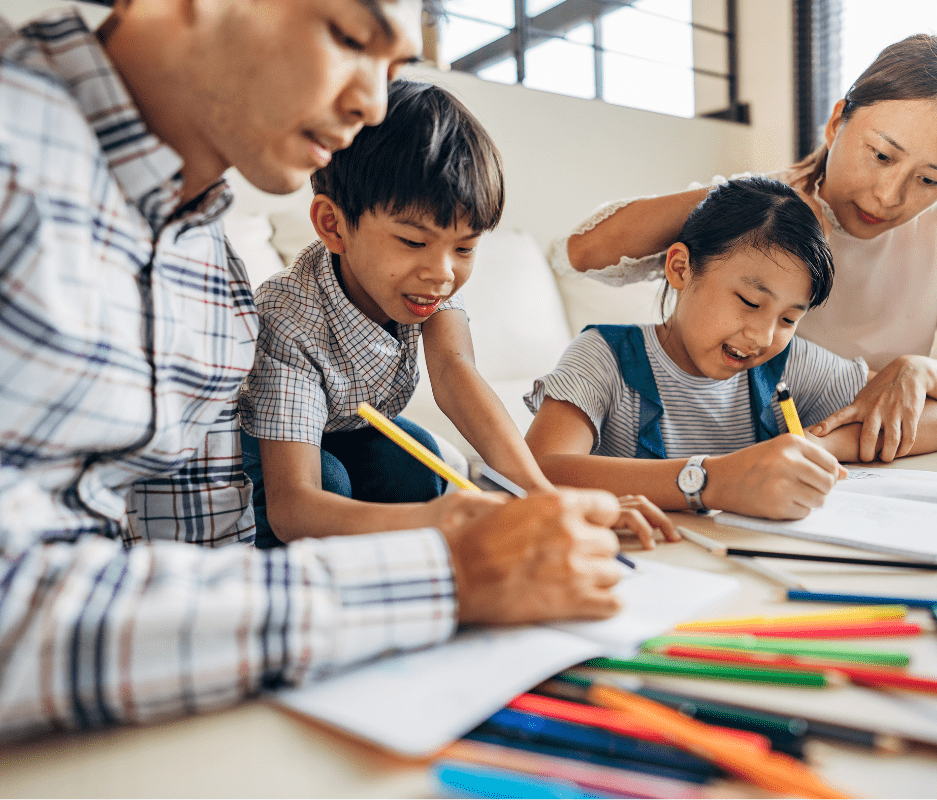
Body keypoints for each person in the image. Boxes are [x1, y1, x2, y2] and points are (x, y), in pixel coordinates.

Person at [0, 0, 625, 740]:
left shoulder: (208, 271)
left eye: (393, 65)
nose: (370, 102)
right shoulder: (21, 158)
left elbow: (201, 538)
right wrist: (444, 573)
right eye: (350, 36)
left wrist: (530, 509)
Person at [557, 34, 937, 464]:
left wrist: (921, 373)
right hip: (737, 448)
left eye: (931, 180)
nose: (888, 196)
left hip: (848, 459)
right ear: (837, 123)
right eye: (881, 155)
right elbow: (581, 253)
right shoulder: (767, 208)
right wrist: (746, 194)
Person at [525, 177, 937, 520]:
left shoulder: (788, 366)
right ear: (681, 268)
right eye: (750, 302)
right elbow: (537, 469)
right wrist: (712, 480)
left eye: (789, 318)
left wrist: (815, 445)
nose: (762, 336)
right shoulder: (605, 356)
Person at [239, 80, 552, 549]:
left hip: (348, 427)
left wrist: (541, 496)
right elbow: (293, 507)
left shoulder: (428, 283)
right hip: (266, 448)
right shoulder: (287, 316)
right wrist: (443, 521)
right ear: (333, 225)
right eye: (413, 242)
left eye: (465, 247)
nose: (443, 273)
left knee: (421, 464)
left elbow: (455, 373)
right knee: (327, 483)